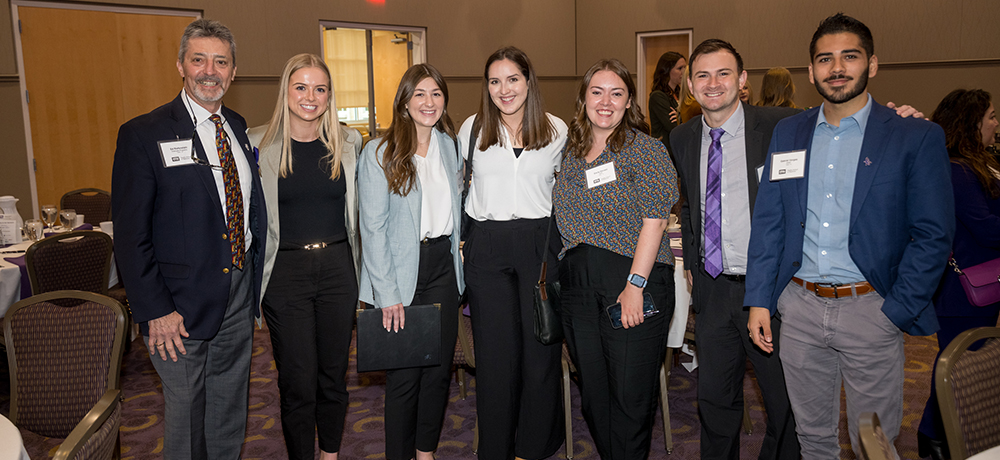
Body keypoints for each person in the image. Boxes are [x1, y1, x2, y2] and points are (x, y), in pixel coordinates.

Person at [745, 13, 954, 459]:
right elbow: (770, 223)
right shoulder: (789, 132)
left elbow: (934, 234)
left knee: (872, 442)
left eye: (849, 56)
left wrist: (894, 310)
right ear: (811, 71)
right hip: (799, 311)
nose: (836, 68)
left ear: (872, 65)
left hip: (871, 311)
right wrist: (762, 299)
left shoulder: (913, 136)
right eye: (825, 59)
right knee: (813, 437)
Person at [111, 18, 266, 460]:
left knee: (229, 406)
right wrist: (155, 309)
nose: (209, 71)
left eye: (221, 62)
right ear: (181, 65)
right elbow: (131, 235)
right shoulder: (144, 134)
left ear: (233, 72)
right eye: (199, 59)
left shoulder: (236, 125)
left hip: (236, 294)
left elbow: (246, 208)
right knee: (186, 413)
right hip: (176, 307)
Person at [671, 39, 800, 460]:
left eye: (723, 73)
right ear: (690, 85)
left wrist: (896, 118)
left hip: (771, 291)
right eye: (703, 75)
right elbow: (689, 204)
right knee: (715, 402)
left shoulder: (782, 126)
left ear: (742, 80)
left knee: (785, 404)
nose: (713, 84)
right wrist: (692, 260)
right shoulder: (682, 136)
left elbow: (843, 121)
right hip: (712, 290)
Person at [552, 58, 679, 459]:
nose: (605, 102)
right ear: (583, 99)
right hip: (577, 286)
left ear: (628, 103)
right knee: (594, 395)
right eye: (597, 91)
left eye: (616, 93)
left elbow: (655, 220)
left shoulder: (646, 149)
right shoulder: (570, 154)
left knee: (629, 398)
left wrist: (635, 285)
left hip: (631, 279)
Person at [248, 53, 363, 460]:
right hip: (285, 274)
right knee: (297, 380)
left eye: (319, 88)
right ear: (286, 91)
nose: (310, 96)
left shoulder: (349, 143)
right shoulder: (257, 143)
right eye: (301, 87)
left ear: (330, 96)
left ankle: (330, 454)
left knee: (333, 377)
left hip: (337, 270)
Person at [457, 46, 568, 460]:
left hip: (539, 245)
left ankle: (533, 446)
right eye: (494, 81)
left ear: (528, 80)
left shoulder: (557, 130)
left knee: (541, 348)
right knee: (495, 356)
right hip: (486, 247)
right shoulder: (471, 128)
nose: (504, 89)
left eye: (512, 79)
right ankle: (497, 448)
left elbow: (568, 193)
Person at [357, 63, 464, 460]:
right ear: (404, 100)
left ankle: (426, 452)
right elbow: (373, 230)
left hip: (441, 268)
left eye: (436, 93)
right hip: (399, 273)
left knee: (438, 372)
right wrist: (387, 294)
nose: (429, 101)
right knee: (404, 378)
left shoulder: (449, 146)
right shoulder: (380, 152)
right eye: (419, 93)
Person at [917, 89, 1000, 460]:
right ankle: (935, 435)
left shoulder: (972, 163)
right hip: (961, 288)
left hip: (977, 281)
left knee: (963, 364)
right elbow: (986, 228)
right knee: (958, 365)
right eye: (992, 117)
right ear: (972, 123)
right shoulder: (957, 170)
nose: (996, 124)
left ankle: (937, 434)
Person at [648, 51, 686, 155]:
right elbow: (673, 127)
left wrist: (681, 117)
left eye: (685, 68)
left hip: (679, 150)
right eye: (679, 68)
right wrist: (682, 118)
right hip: (665, 152)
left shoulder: (680, 94)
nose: (684, 72)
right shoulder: (658, 96)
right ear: (667, 71)